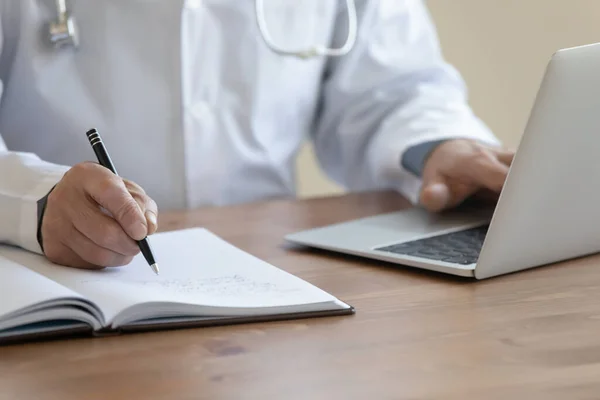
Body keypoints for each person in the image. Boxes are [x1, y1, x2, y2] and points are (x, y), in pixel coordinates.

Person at [0, 0, 513, 269]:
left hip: (267, 274)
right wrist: (37, 202)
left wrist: (438, 145)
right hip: (49, 281)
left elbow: (391, 89)